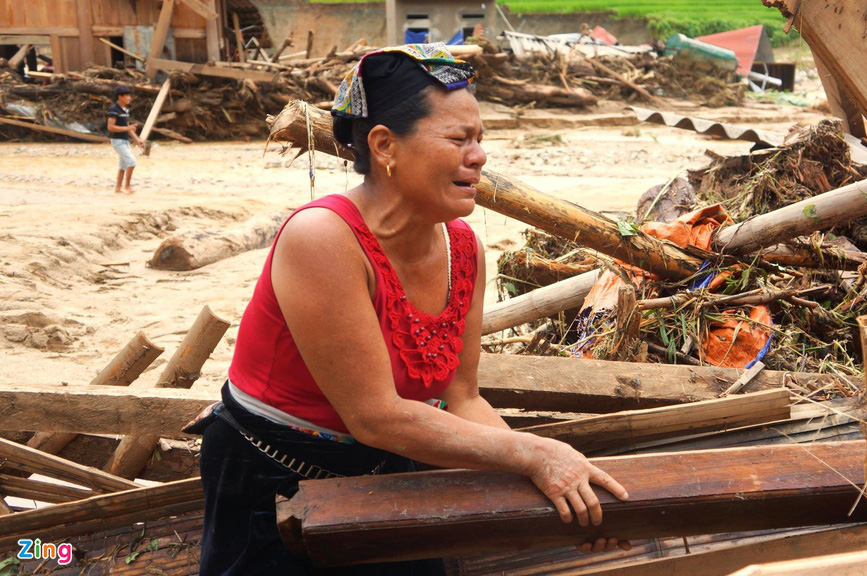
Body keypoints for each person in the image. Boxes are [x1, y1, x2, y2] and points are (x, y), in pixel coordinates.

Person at [192, 43, 630, 576]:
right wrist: (537, 455)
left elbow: (463, 399)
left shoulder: (463, 247)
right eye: (458, 139)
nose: (479, 155)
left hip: (391, 467)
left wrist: (559, 494)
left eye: (480, 139)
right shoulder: (323, 238)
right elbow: (375, 415)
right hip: (273, 476)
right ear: (384, 145)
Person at [106, 85, 143, 194]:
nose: (129, 97)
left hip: (125, 140)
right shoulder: (114, 110)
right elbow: (110, 127)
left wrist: (137, 140)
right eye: (126, 95)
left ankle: (118, 188)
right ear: (120, 97)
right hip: (117, 141)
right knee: (131, 163)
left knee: (123, 166)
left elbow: (128, 127)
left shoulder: (125, 110)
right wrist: (127, 128)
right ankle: (127, 186)